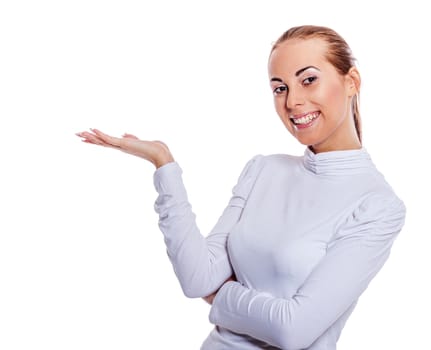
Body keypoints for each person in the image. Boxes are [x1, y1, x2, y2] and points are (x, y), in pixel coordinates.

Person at [76, 25, 406, 349]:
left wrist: (221, 296)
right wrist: (164, 165)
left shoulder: (377, 205)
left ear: (352, 81)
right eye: (280, 88)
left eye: (308, 80)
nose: (292, 102)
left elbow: (293, 331)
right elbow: (198, 278)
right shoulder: (263, 169)